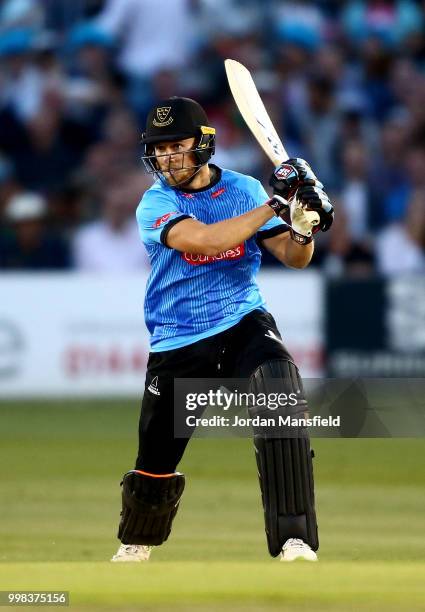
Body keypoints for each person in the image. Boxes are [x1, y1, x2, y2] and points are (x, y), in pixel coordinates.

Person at [111, 97, 334, 563]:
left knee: (280, 392)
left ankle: (294, 539)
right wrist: (279, 201)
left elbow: (295, 260)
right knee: (154, 463)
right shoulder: (156, 202)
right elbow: (208, 240)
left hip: (241, 319)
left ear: (203, 145)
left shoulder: (244, 189)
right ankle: (136, 544)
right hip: (179, 337)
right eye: (160, 148)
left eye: (178, 145)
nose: (168, 157)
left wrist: (303, 225)